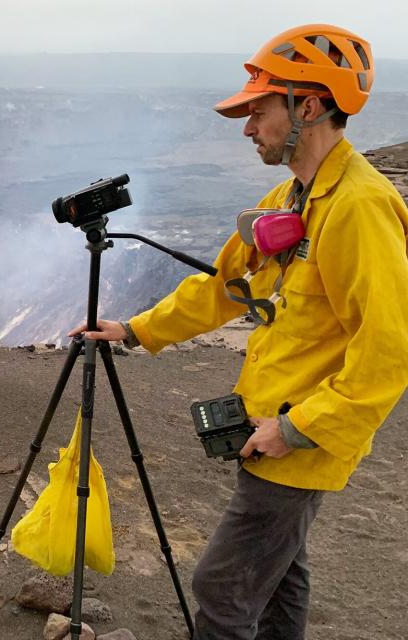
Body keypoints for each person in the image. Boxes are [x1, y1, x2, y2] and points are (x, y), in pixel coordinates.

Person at [68, 24, 408, 639]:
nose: (247, 126)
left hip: (296, 438)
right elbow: (226, 285)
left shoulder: (358, 208)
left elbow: (390, 346)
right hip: (270, 421)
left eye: (259, 110)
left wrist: (299, 428)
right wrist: (137, 330)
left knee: (223, 587)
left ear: (308, 106)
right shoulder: (295, 196)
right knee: (278, 577)